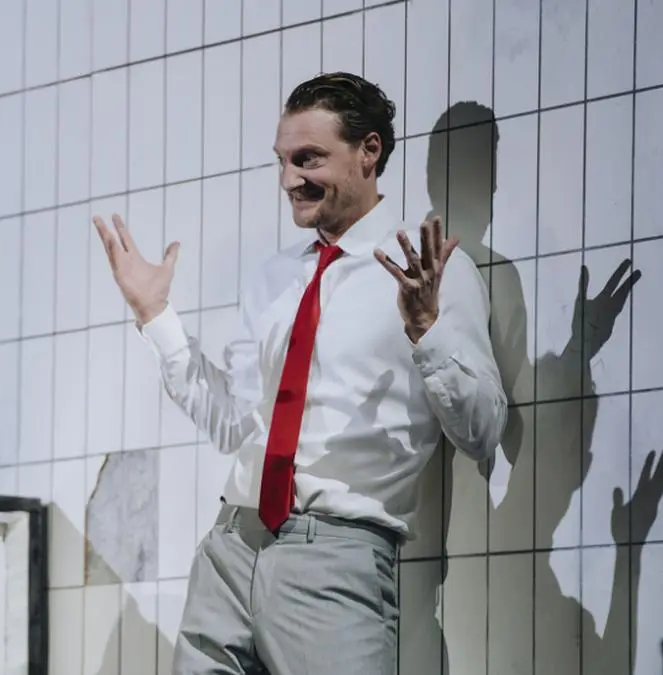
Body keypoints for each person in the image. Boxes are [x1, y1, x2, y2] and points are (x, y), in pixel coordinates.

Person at [93, 72, 508, 674]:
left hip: (336, 556)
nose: (289, 179)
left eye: (308, 158)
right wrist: (156, 316)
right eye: (282, 161)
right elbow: (234, 425)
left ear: (369, 151)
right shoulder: (273, 278)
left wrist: (426, 329)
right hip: (230, 549)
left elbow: (483, 431)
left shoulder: (435, 275)